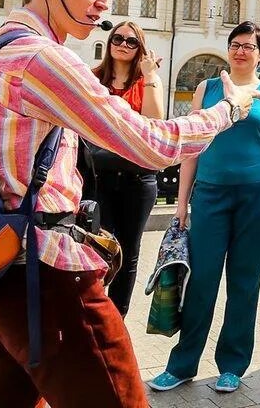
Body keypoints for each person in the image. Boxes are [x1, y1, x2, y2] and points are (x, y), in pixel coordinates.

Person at [0, 0, 259, 408]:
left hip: (2, 263)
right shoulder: (41, 58)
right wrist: (231, 108)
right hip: (47, 270)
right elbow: (152, 143)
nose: (106, 2)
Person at [151, 21, 260, 395]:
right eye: (235, 44)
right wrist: (181, 203)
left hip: (259, 197)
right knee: (202, 280)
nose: (241, 50)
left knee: (245, 284)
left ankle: (232, 365)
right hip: (210, 195)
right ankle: (182, 364)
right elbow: (191, 148)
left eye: (249, 46)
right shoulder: (207, 89)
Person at [79, 20, 164, 317]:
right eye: (118, 38)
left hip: (137, 178)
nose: (123, 45)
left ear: (139, 47)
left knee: (128, 251)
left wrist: (150, 74)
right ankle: (92, 313)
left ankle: (116, 320)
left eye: (131, 41)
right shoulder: (92, 78)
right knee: (96, 246)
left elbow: (155, 121)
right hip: (97, 176)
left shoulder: (146, 81)